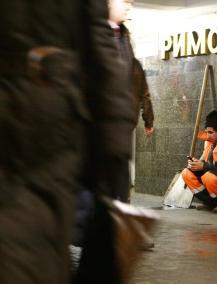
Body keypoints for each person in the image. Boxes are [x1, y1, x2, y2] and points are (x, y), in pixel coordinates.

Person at [0, 0, 133, 283]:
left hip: (46, 135)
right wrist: (114, 140)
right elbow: (101, 57)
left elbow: (100, 58)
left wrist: (114, 137)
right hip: (50, 122)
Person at [108, 0, 155, 202]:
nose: (130, 5)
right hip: (104, 124)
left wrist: (147, 119)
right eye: (124, 1)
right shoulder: (94, 36)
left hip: (121, 124)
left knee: (119, 179)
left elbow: (142, 91)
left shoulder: (123, 37)